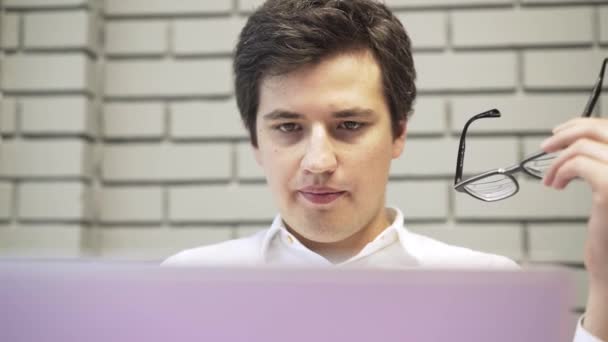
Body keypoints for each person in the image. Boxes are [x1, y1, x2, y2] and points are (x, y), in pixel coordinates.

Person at [163, 0, 608, 340]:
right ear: (255, 140)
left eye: (350, 125)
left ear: (398, 133)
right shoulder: (182, 288)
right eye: (288, 127)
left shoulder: (490, 288)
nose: (318, 161)